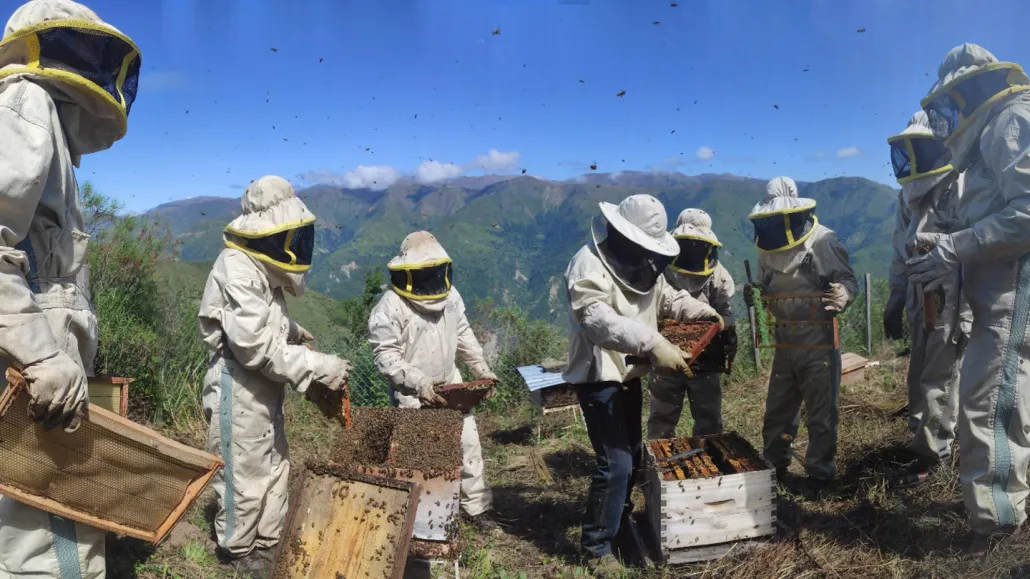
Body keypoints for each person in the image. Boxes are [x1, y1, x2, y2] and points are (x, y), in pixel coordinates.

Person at [0, 0, 141, 576]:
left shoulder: (49, 131)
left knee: (35, 532)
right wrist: (41, 353)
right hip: (28, 378)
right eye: (83, 51)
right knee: (48, 545)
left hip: (38, 376)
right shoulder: (24, 105)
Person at [198, 176, 353, 575]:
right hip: (238, 384)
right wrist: (319, 365)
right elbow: (253, 348)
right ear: (272, 234)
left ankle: (267, 542)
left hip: (264, 387)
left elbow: (264, 322)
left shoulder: (261, 270)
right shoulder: (236, 265)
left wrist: (293, 330)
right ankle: (238, 551)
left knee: (273, 466)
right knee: (244, 472)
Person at [910, 43, 1030, 556]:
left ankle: (997, 526)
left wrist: (953, 245)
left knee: (988, 405)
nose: (952, 113)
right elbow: (994, 213)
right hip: (993, 295)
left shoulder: (1010, 122)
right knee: (1005, 400)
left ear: (974, 89)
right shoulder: (988, 137)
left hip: (1011, 293)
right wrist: (944, 240)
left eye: (956, 99)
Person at [563, 194, 723, 574]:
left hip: (629, 375)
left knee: (633, 456)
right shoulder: (587, 264)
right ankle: (596, 548)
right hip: (598, 376)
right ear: (622, 236)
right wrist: (654, 343)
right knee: (615, 463)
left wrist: (703, 312)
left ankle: (618, 524)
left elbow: (669, 298)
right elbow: (597, 320)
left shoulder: (644, 267)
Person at [368, 231, 500, 531]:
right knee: (420, 457)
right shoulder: (389, 307)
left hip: (452, 383)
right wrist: (419, 383)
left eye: (435, 271)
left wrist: (481, 369)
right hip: (413, 393)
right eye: (425, 273)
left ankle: (476, 508)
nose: (432, 278)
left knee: (468, 447)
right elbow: (385, 356)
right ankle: (425, 521)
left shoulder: (451, 297)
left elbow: (464, 334)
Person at [743, 177, 857, 492]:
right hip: (784, 340)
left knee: (821, 414)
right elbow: (768, 286)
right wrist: (755, 292)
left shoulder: (824, 241)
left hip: (818, 342)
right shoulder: (766, 247)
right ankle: (776, 469)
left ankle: (820, 476)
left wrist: (843, 294)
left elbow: (848, 280)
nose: (771, 226)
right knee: (778, 411)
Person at [884, 111, 970, 487]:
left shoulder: (960, 184)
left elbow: (975, 242)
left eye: (921, 148)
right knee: (919, 372)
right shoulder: (908, 196)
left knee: (940, 375)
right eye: (909, 150)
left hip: (951, 292)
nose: (913, 158)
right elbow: (898, 250)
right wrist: (896, 297)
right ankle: (925, 439)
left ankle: (932, 455)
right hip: (921, 292)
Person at [648, 208, 736, 440]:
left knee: (708, 420)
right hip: (666, 353)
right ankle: (658, 468)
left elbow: (726, 314)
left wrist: (725, 335)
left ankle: (709, 462)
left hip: (705, 359)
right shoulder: (660, 268)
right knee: (662, 419)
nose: (692, 250)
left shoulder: (719, 275)